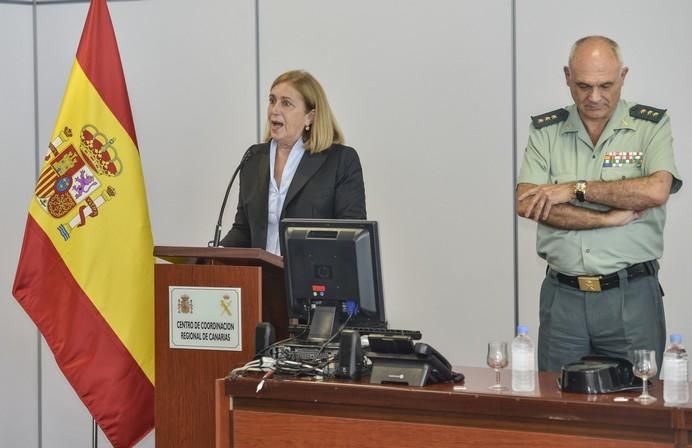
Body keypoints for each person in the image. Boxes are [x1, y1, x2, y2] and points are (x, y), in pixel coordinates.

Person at [516, 36, 682, 372]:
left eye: (605, 85)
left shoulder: (649, 126)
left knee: (639, 407)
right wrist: (605, 220)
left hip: (631, 296)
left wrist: (573, 189)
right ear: (566, 76)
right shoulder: (546, 131)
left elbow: (655, 191)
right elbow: (528, 203)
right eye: (583, 85)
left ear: (623, 76)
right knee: (557, 410)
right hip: (563, 298)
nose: (594, 97)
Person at [219, 70, 366, 255]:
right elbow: (244, 230)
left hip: (312, 279)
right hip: (262, 281)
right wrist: (214, 256)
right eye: (272, 100)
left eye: (286, 103)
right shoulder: (253, 158)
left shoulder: (340, 161)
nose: (274, 110)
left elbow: (351, 236)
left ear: (309, 117)